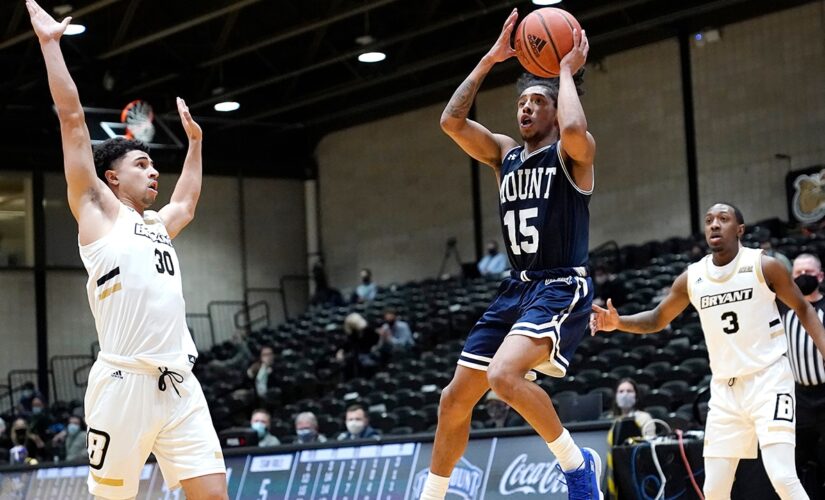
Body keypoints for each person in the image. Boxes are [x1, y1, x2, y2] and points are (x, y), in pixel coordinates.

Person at [26, 1, 227, 498]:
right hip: (123, 384)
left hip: (180, 382)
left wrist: (196, 144)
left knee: (215, 495)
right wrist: (51, 45)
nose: (154, 171)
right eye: (143, 163)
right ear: (112, 176)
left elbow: (189, 200)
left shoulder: (156, 225)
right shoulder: (96, 212)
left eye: (154, 165)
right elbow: (73, 120)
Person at [421, 9, 601, 500]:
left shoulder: (572, 153)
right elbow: (451, 121)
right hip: (516, 288)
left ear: (554, 109)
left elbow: (572, 130)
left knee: (502, 376)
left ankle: (575, 464)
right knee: (453, 400)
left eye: (536, 102)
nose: (524, 109)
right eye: (520, 101)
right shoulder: (505, 153)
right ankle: (433, 496)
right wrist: (490, 59)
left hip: (561, 284)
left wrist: (563, 72)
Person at [591, 203, 825, 500]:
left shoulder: (765, 265)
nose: (715, 224)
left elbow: (804, 308)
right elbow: (657, 318)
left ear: (740, 230)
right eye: (709, 220)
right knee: (714, 489)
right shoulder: (693, 277)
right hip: (725, 390)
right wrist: (618, 322)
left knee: (782, 475)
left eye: (723, 219)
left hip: (769, 380)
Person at [781, 253, 825, 498]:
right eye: (797, 274)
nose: (802, 277)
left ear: (820, 276)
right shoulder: (785, 311)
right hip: (800, 398)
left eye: (807, 272)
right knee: (798, 461)